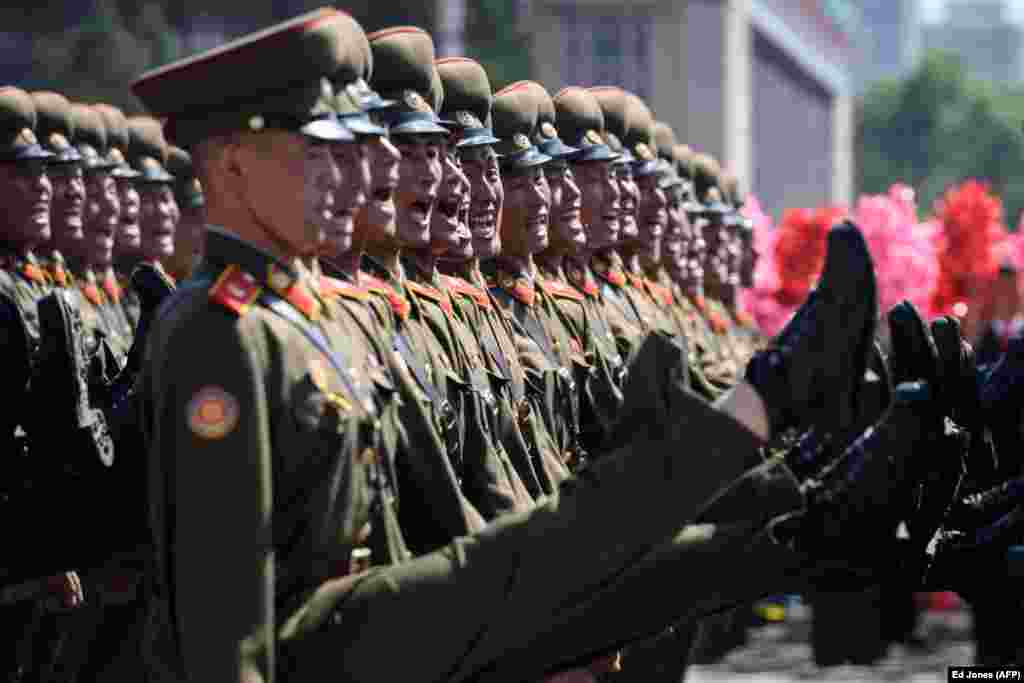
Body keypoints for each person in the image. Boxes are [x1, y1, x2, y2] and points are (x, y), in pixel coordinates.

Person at [134, 9, 911, 682]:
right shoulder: (218, 332)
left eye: (351, 150)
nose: (351, 174)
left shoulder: (295, 316)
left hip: (386, 636)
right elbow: (226, 622)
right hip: (331, 654)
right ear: (232, 161)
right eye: (320, 151)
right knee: (549, 550)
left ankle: (799, 503)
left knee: (566, 551)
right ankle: (772, 416)